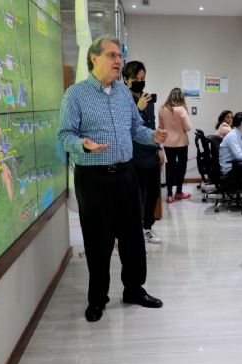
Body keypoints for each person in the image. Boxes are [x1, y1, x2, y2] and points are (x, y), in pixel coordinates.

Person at [58, 37, 166, 323]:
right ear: (94, 58)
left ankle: (134, 289)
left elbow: (136, 128)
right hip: (93, 179)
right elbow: (64, 135)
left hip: (126, 175)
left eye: (120, 56)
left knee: (132, 237)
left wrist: (152, 137)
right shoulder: (76, 95)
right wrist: (83, 144)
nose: (118, 61)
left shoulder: (122, 93)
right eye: (111, 55)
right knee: (98, 240)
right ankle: (98, 298)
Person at [122, 60, 164, 244]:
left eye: (143, 78)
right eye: (136, 79)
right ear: (125, 79)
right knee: (136, 196)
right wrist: (137, 109)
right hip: (133, 155)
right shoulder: (121, 100)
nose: (140, 82)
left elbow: (151, 125)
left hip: (150, 154)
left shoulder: (148, 99)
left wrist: (158, 147)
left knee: (153, 193)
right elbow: (126, 127)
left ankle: (148, 227)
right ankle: (135, 232)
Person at [159, 88, 193, 203]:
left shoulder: (162, 109)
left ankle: (169, 194)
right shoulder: (181, 110)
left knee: (170, 166)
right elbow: (188, 127)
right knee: (181, 167)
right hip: (181, 142)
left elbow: (161, 127)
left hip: (168, 143)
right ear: (181, 97)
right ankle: (178, 192)